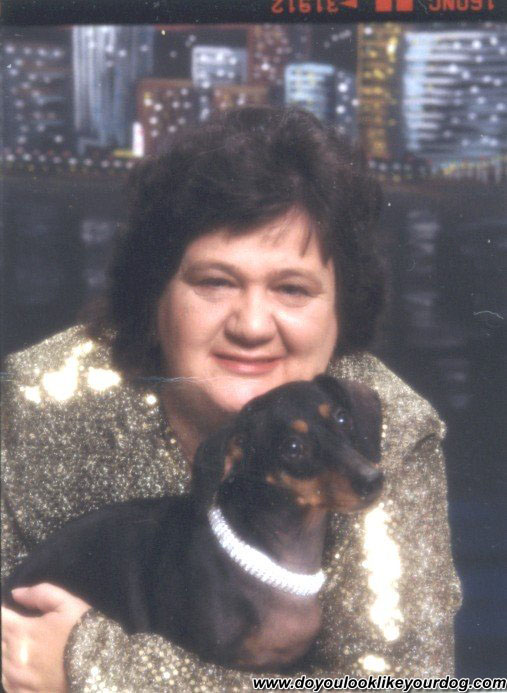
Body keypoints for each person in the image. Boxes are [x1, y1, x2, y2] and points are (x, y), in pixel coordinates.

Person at [1, 106, 461, 692]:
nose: (251, 326)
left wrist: (91, 666)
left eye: (292, 289)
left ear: (340, 311)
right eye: (215, 282)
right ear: (155, 296)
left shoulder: (387, 428)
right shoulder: (39, 396)